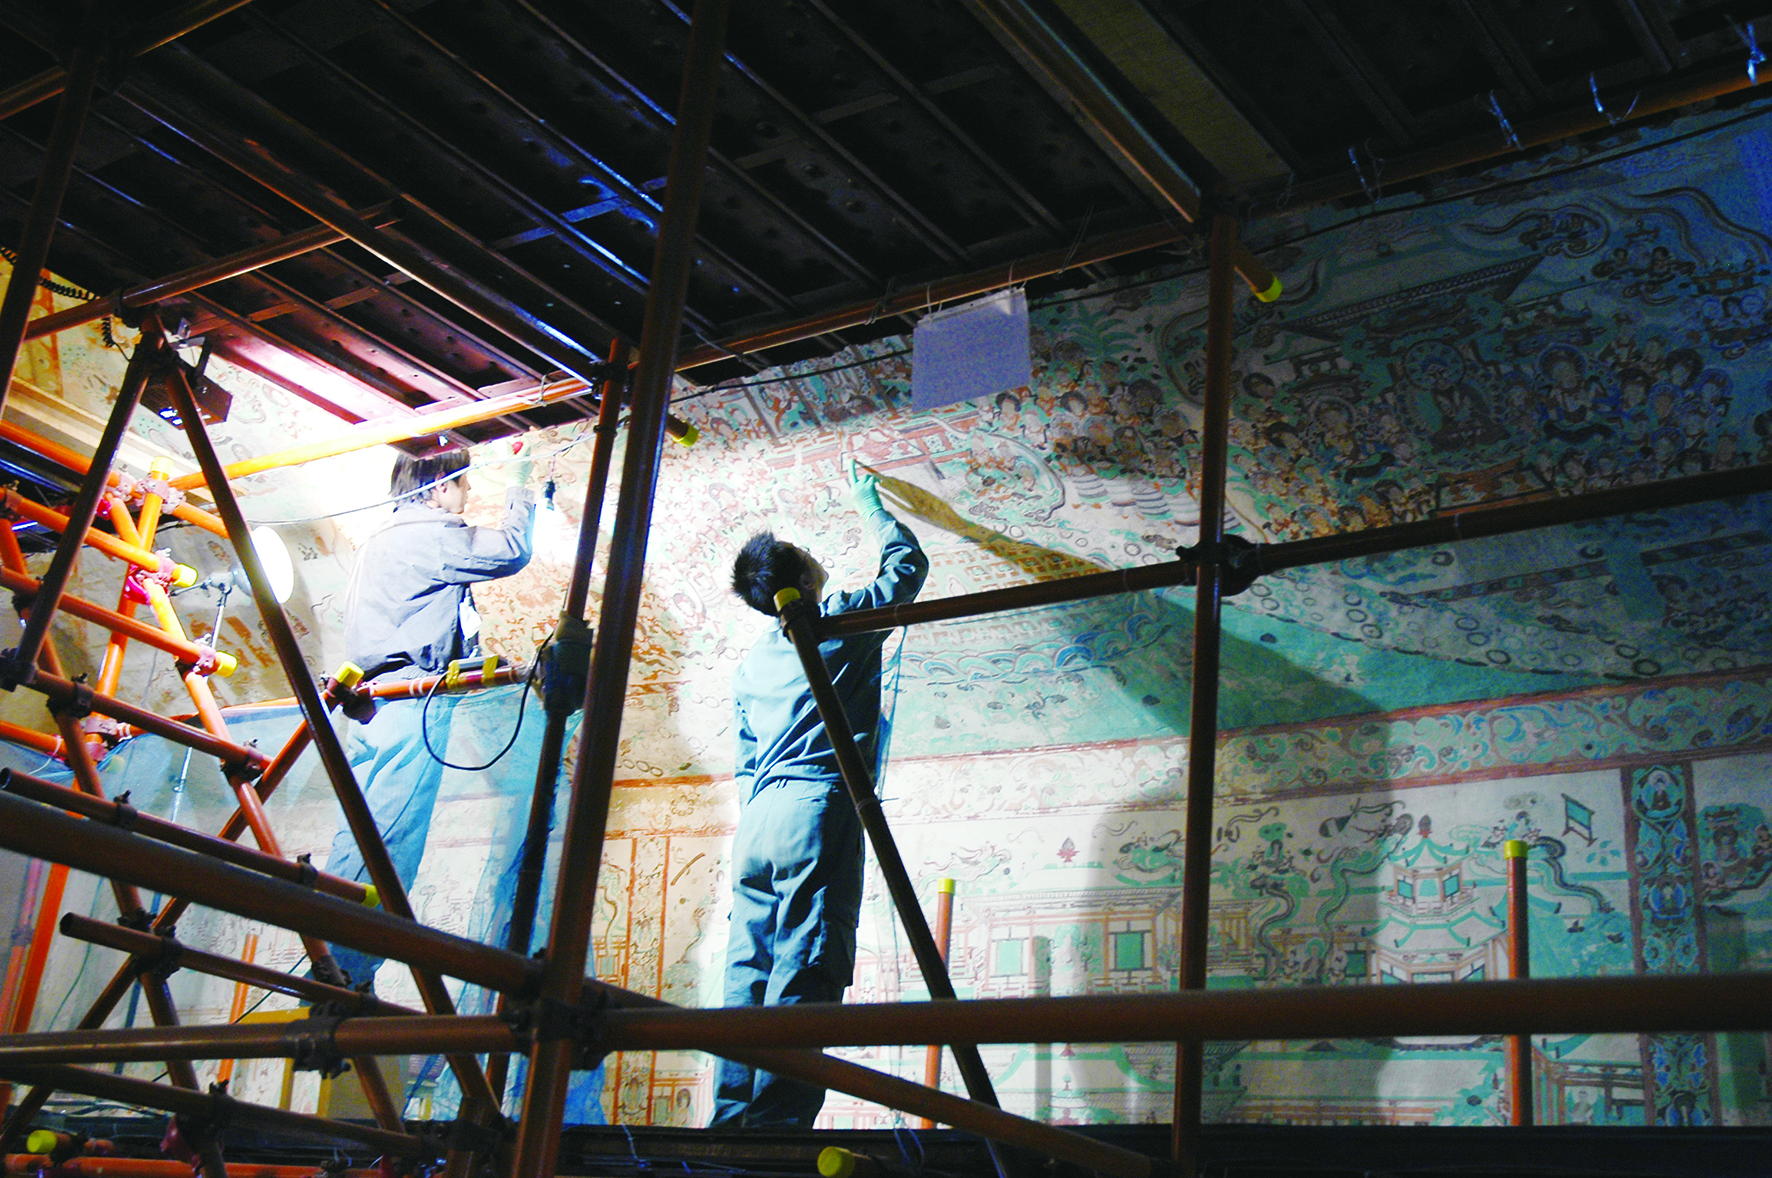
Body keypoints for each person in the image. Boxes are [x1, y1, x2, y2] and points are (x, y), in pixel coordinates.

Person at [711, 467, 928, 1127]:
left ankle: (731, 1124)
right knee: (805, 963)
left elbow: (746, 763)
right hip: (815, 808)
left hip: (757, 825)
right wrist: (872, 507)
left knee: (748, 968)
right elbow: (908, 567)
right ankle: (775, 1130)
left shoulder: (752, 663)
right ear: (803, 581)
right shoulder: (837, 623)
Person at [323, 450, 535, 990]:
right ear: (441, 485)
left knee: (361, 833)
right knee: (391, 839)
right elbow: (512, 550)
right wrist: (521, 487)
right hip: (410, 704)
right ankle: (346, 977)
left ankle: (334, 963)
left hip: (372, 704)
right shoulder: (433, 534)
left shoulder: (377, 541)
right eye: (464, 485)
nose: (468, 495)